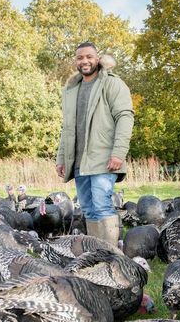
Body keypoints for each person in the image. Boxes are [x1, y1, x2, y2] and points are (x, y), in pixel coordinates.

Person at [55, 42, 134, 246]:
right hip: (80, 161)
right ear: (76, 61)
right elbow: (67, 128)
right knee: (88, 208)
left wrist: (118, 153)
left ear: (97, 59)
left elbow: (125, 117)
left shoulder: (112, 83)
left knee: (101, 205)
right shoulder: (72, 89)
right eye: (80, 57)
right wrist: (62, 158)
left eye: (89, 56)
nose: (85, 61)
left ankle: (111, 255)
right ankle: (98, 253)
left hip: (103, 158)